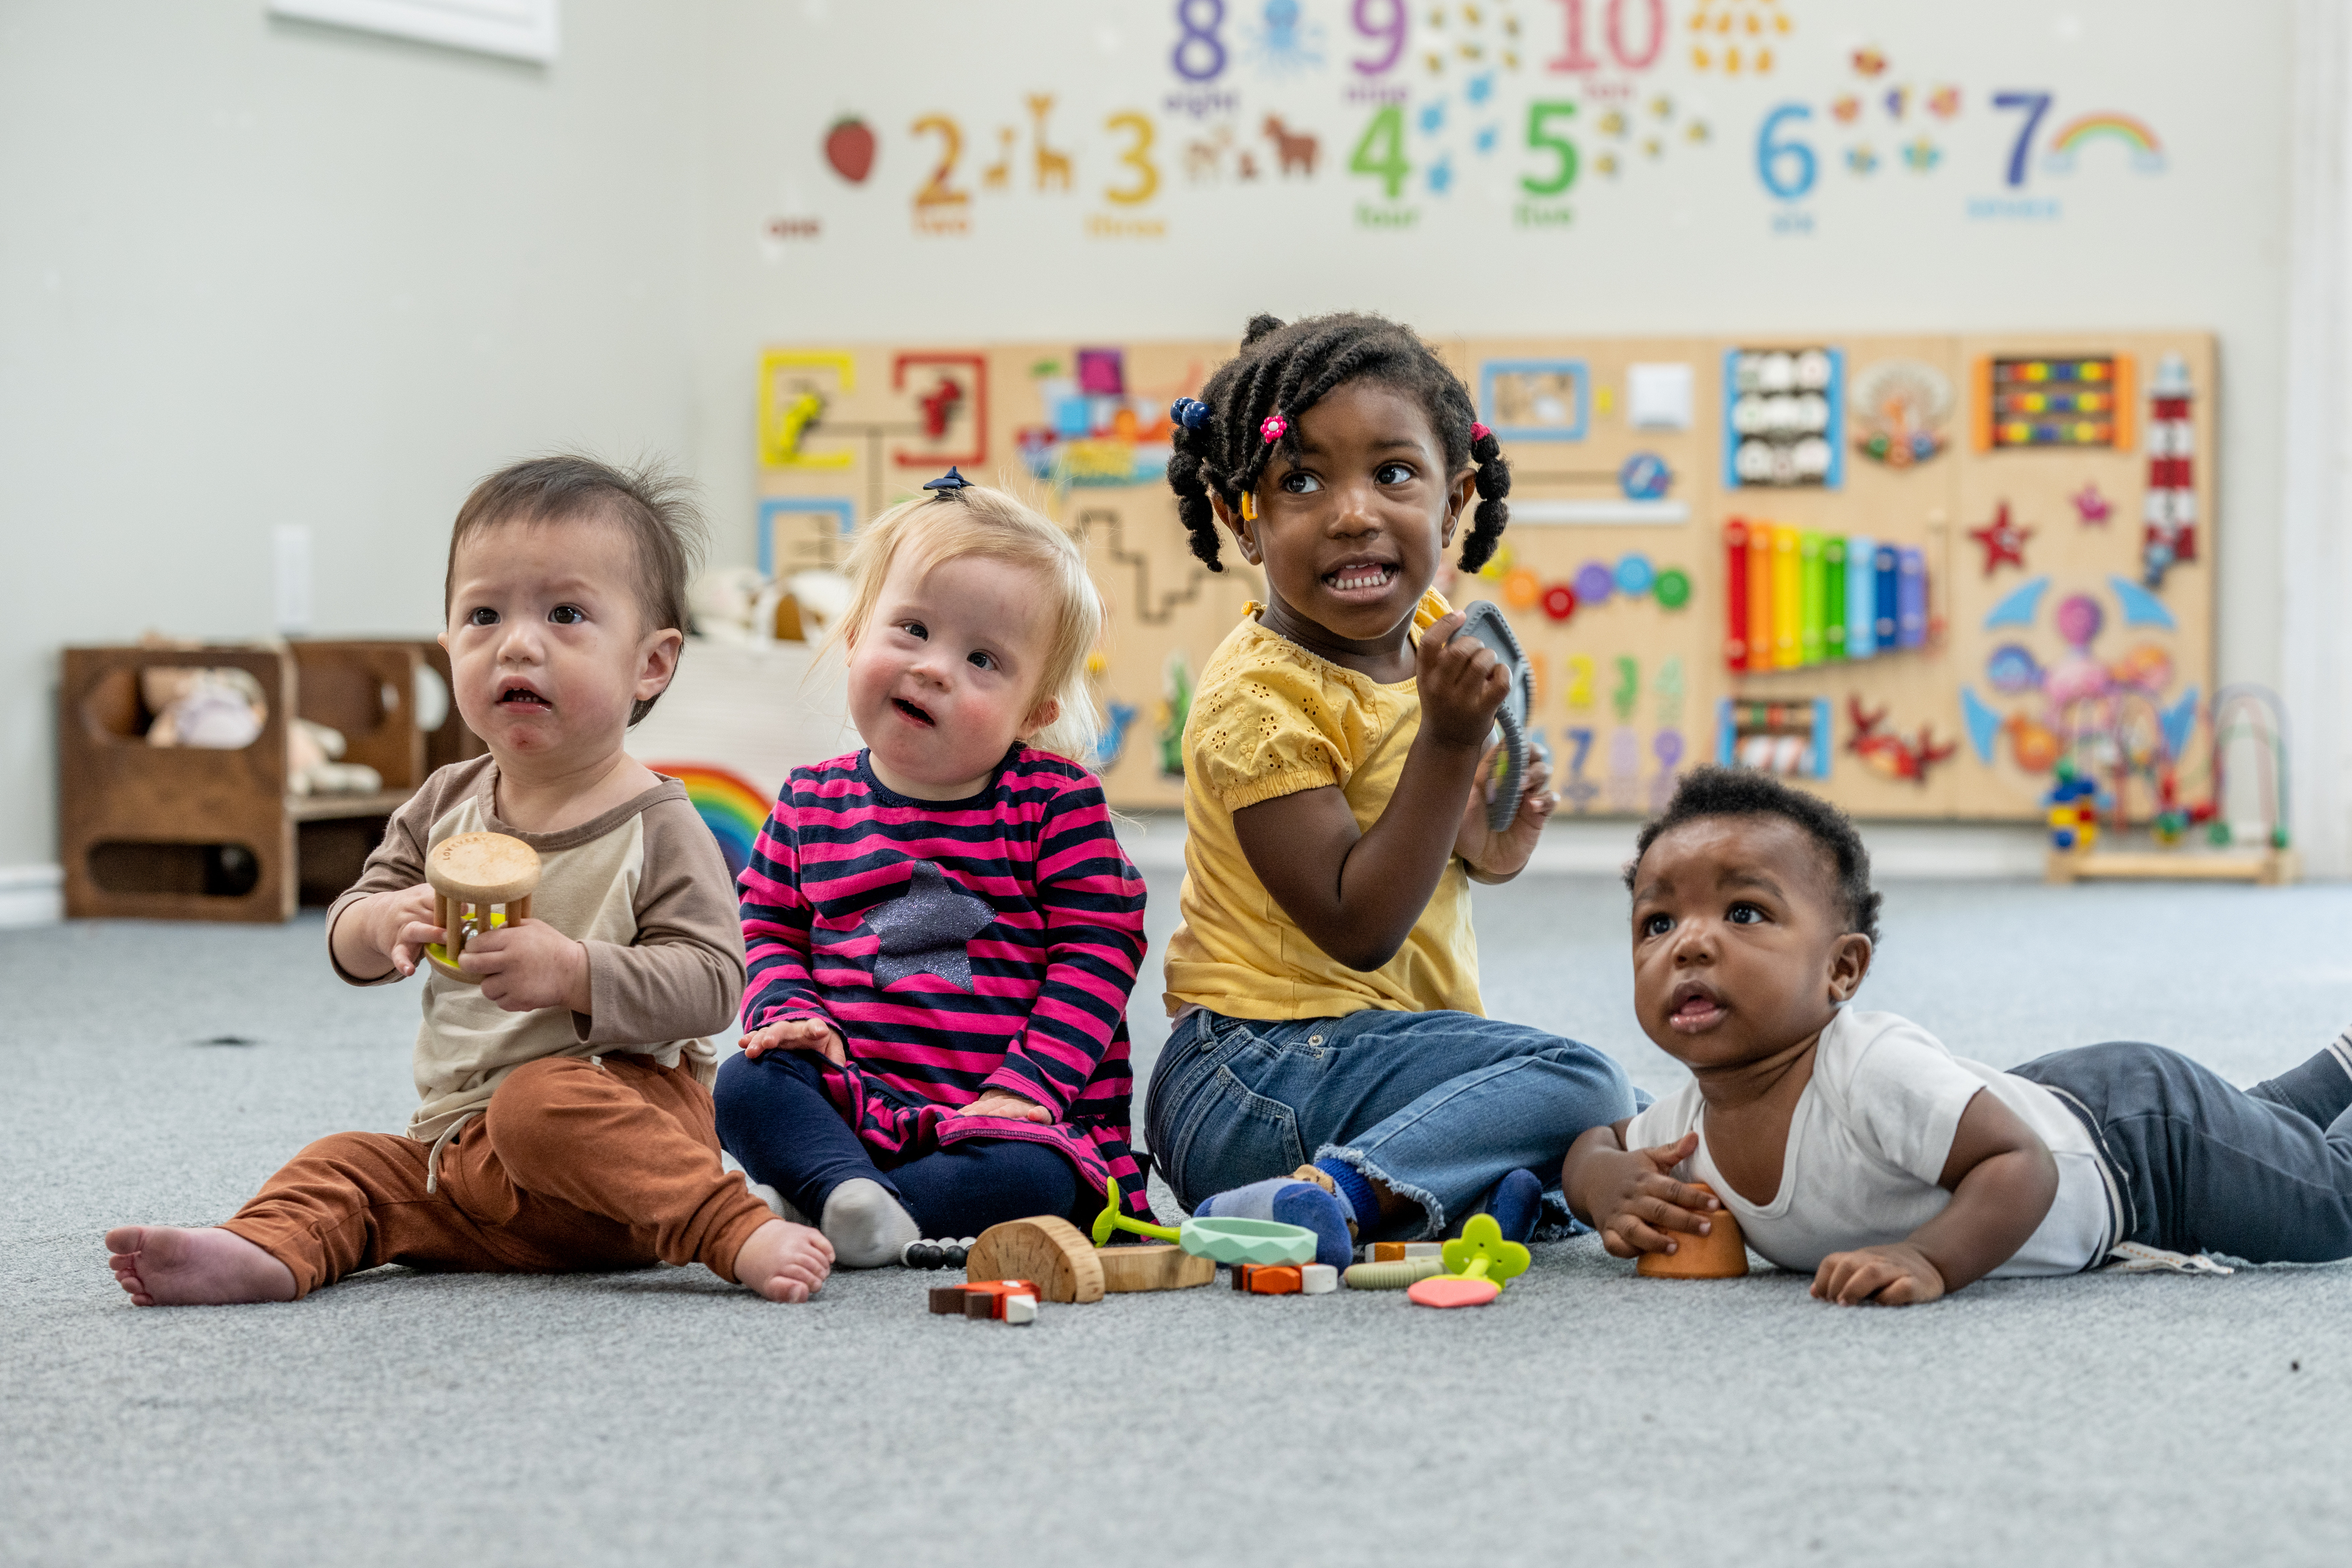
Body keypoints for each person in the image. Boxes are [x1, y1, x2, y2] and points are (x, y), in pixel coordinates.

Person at [106, 455, 833, 1306]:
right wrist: (381, 927)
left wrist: (575, 973)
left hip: (621, 1142)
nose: (517, 642)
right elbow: (351, 925)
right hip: (463, 1155)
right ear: (450, 645)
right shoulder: (445, 802)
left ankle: (729, 1225)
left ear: (652, 664)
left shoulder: (657, 823)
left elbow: (715, 983)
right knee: (349, 1163)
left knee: (540, 1104)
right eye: (483, 615)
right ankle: (264, 1249)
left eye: (566, 614)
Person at [1146, 312, 1637, 1269]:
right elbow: (1357, 921)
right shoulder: (1256, 700)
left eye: (1393, 474)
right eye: (1301, 481)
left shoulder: (1431, 635)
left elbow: (1412, 844)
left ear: (1454, 503)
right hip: (1250, 1075)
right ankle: (1322, 1194)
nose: (1353, 512)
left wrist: (1485, 845)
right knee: (1583, 1085)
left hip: (1369, 1062)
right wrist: (1451, 745)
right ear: (1244, 517)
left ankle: (1452, 1193)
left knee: (1642, 1129)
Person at [1564, 766, 2352, 1304]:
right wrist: (1603, 1186)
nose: (1689, 944)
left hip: (2147, 1149)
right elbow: (1594, 1141)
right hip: (2059, 1103)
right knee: (2267, 1126)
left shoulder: (1868, 1070)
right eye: (1657, 923)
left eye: (1744, 913)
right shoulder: (1685, 1128)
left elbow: (2022, 1162)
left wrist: (1930, 1257)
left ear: (1842, 972)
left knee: (2328, 1201)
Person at [714, 474, 1151, 1267]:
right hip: (857, 1093)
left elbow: (1097, 957)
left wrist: (1029, 1088)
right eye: (911, 629)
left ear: (1034, 713)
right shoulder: (811, 801)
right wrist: (787, 1011)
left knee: (1042, 1181)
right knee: (745, 1086)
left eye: (984, 659)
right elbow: (770, 925)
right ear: (854, 637)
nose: (936, 668)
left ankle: (866, 1206)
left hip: (1005, 1117)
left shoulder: (1054, 805)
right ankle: (846, 1185)